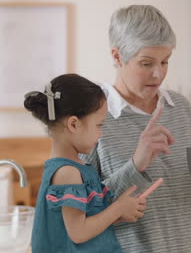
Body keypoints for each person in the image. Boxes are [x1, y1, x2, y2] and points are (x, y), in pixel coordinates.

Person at [80, 5, 191, 252]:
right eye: (146, 63)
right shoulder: (91, 117)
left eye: (165, 61)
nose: (158, 74)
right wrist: (135, 166)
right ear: (116, 56)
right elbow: (81, 213)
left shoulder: (180, 108)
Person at [26, 74, 147, 252]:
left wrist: (119, 213)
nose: (101, 134)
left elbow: (88, 220)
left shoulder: (76, 168)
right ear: (74, 124)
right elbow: (79, 232)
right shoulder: (67, 172)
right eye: (99, 125)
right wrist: (118, 207)